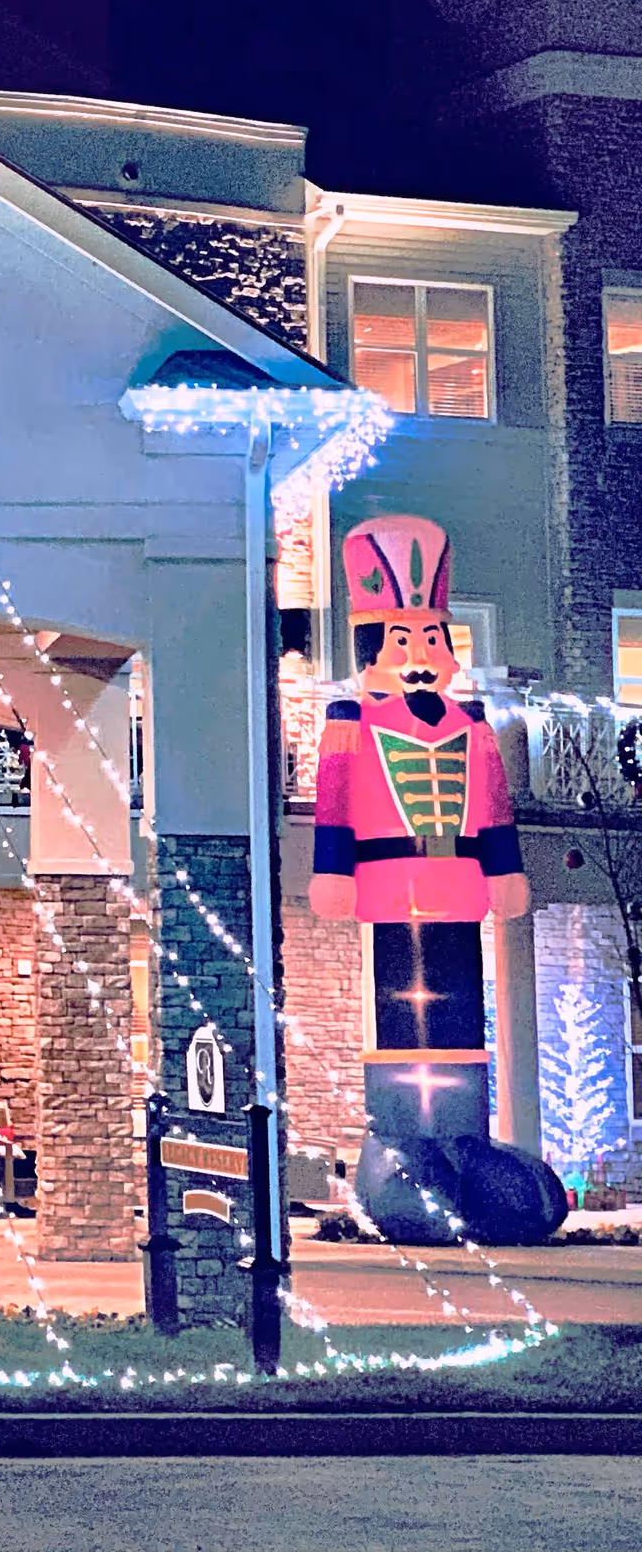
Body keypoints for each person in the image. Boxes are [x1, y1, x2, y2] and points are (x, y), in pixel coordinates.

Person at [309, 513, 564, 1244]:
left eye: (430, 637)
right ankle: (400, 1140)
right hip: (390, 888)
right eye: (402, 639)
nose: (420, 653)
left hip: (456, 887)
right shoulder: (352, 722)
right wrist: (334, 871)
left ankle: (461, 1138)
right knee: (401, 1007)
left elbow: (491, 804)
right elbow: (333, 806)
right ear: (372, 648)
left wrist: (505, 871)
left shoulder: (471, 724)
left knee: (457, 1007)